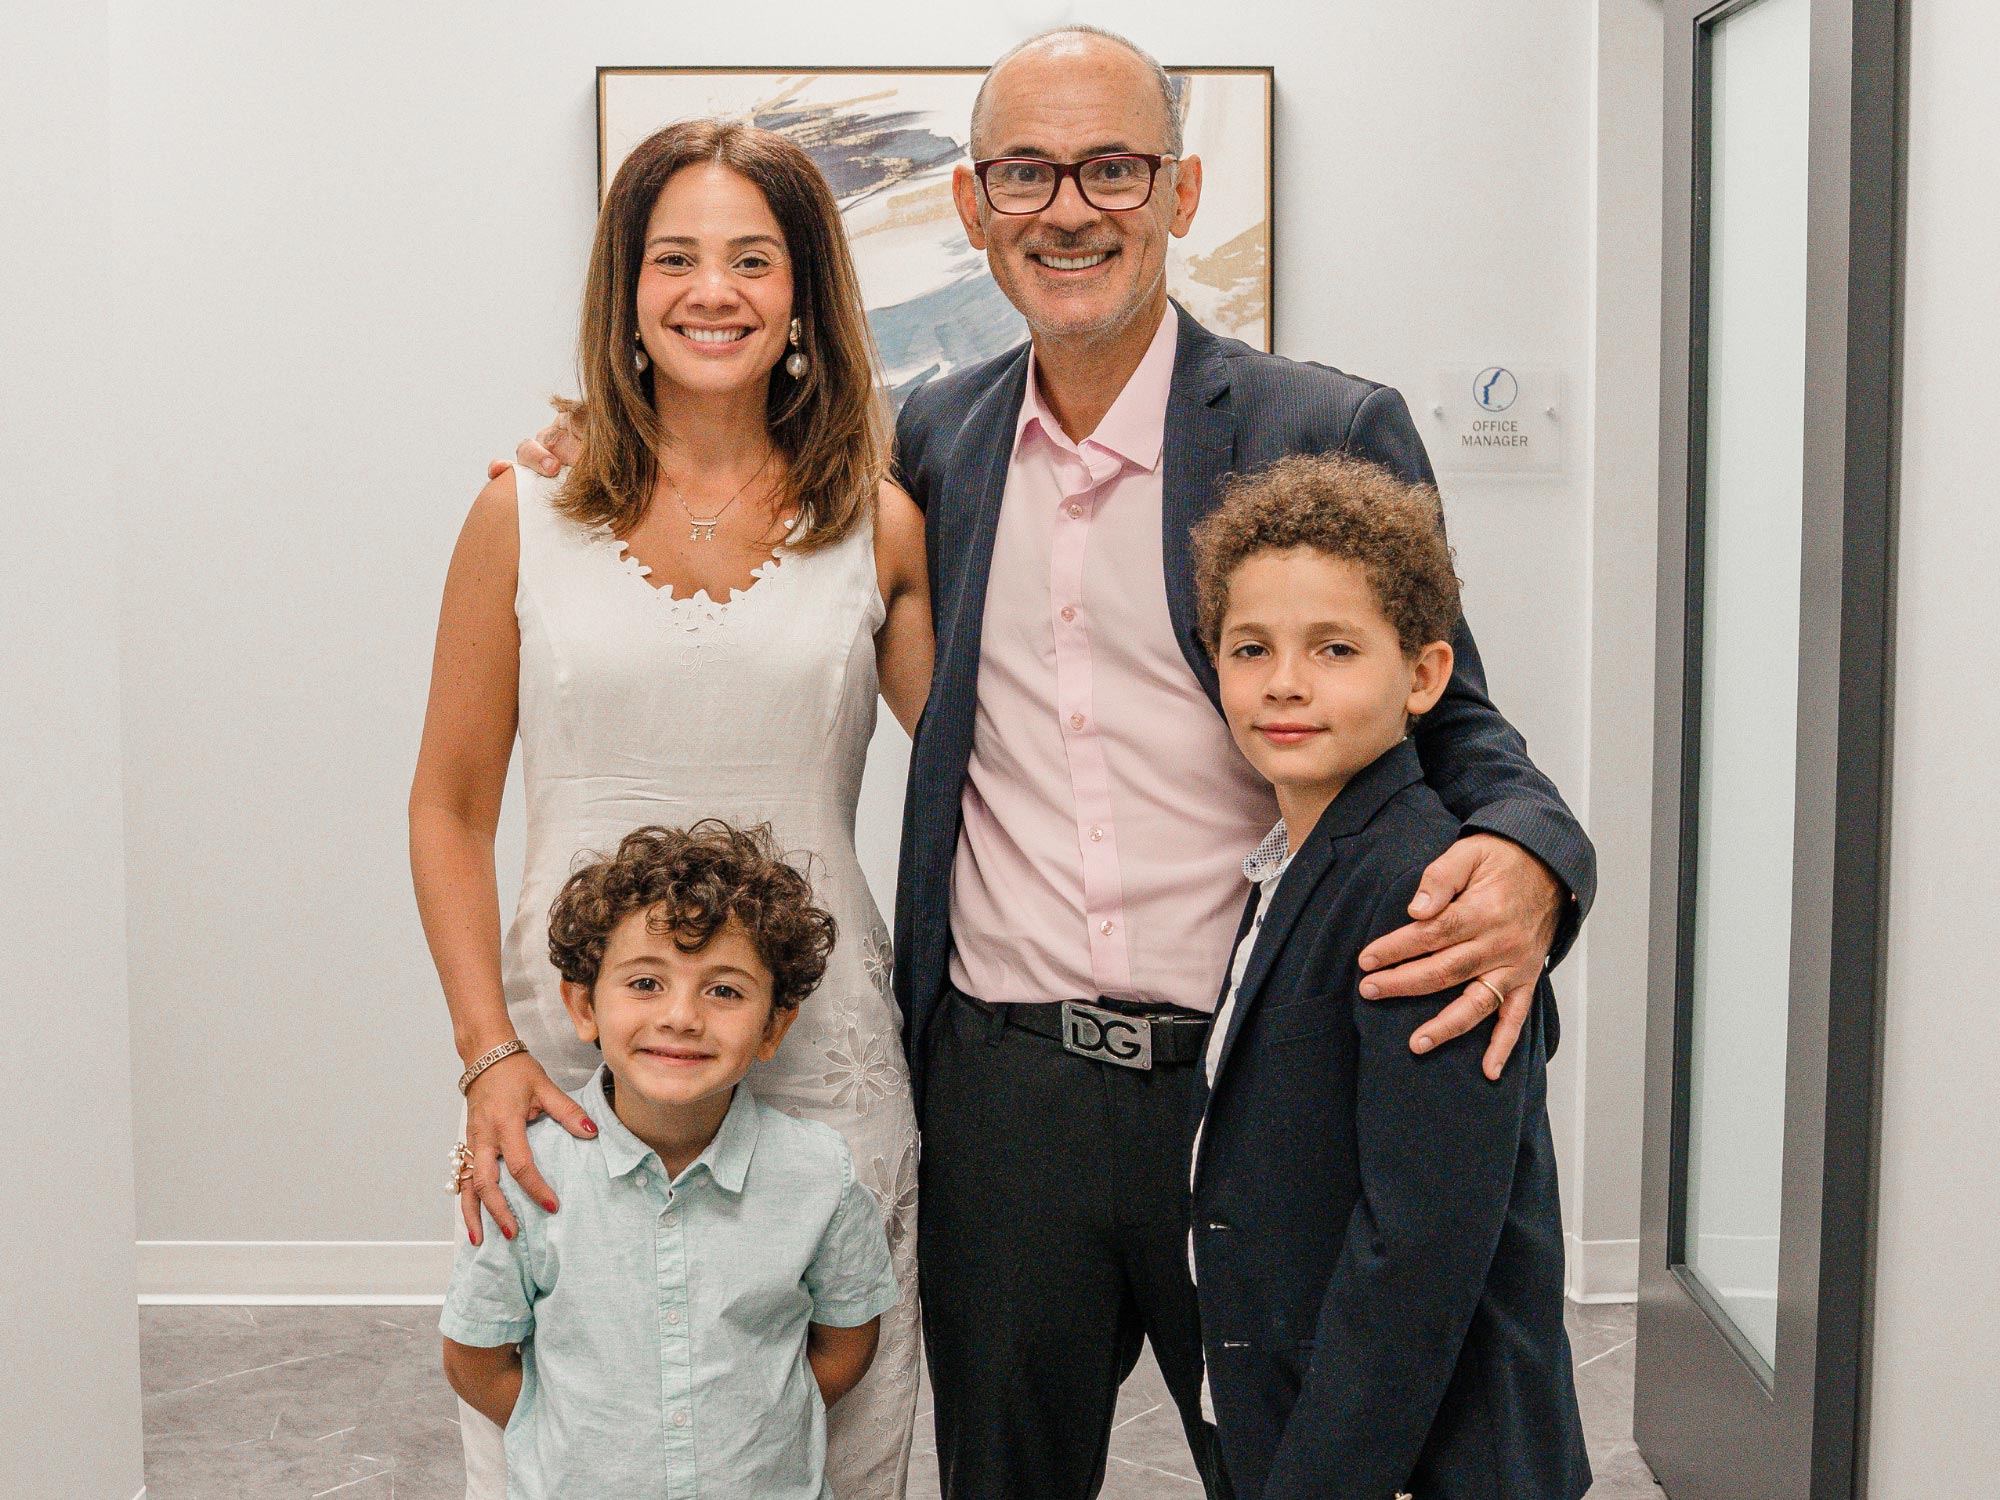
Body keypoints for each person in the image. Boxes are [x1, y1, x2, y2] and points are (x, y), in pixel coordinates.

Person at [515, 26, 1594, 1500]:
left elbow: (1456, 715)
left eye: (1110, 168)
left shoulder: (1315, 429)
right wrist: (608, 433)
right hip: (1004, 1097)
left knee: (1300, 1464)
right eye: (1024, 172)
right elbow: (742, 479)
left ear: (1180, 190)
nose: (1066, 207)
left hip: (1250, 1073)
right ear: (973, 207)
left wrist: (1538, 861)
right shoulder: (931, 448)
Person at [411, 120, 930, 1500]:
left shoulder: (876, 522)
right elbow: (448, 809)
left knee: (834, 1422)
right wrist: (487, 1056)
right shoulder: (521, 511)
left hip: (820, 1049)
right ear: (625, 293)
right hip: (566, 1052)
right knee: (565, 1415)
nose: (715, 291)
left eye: (754, 259)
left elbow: (993, 765)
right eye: (676, 258)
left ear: (806, 294)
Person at [1185, 454, 1589, 1500]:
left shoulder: (1425, 899)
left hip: (1420, 1459)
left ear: (1421, 675)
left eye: (1332, 648)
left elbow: (1417, 1251)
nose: (1282, 680)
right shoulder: (1306, 856)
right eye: (1249, 648)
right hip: (1318, 1417)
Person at [441, 822, 900, 1500]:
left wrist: (753, 1427)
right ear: (582, 1005)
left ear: (774, 1025)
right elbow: (476, 1360)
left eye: (724, 991)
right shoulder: (532, 1172)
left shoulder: (817, 1176)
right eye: (647, 983)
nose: (682, 1016)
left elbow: (844, 1345)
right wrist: (586, 1441)